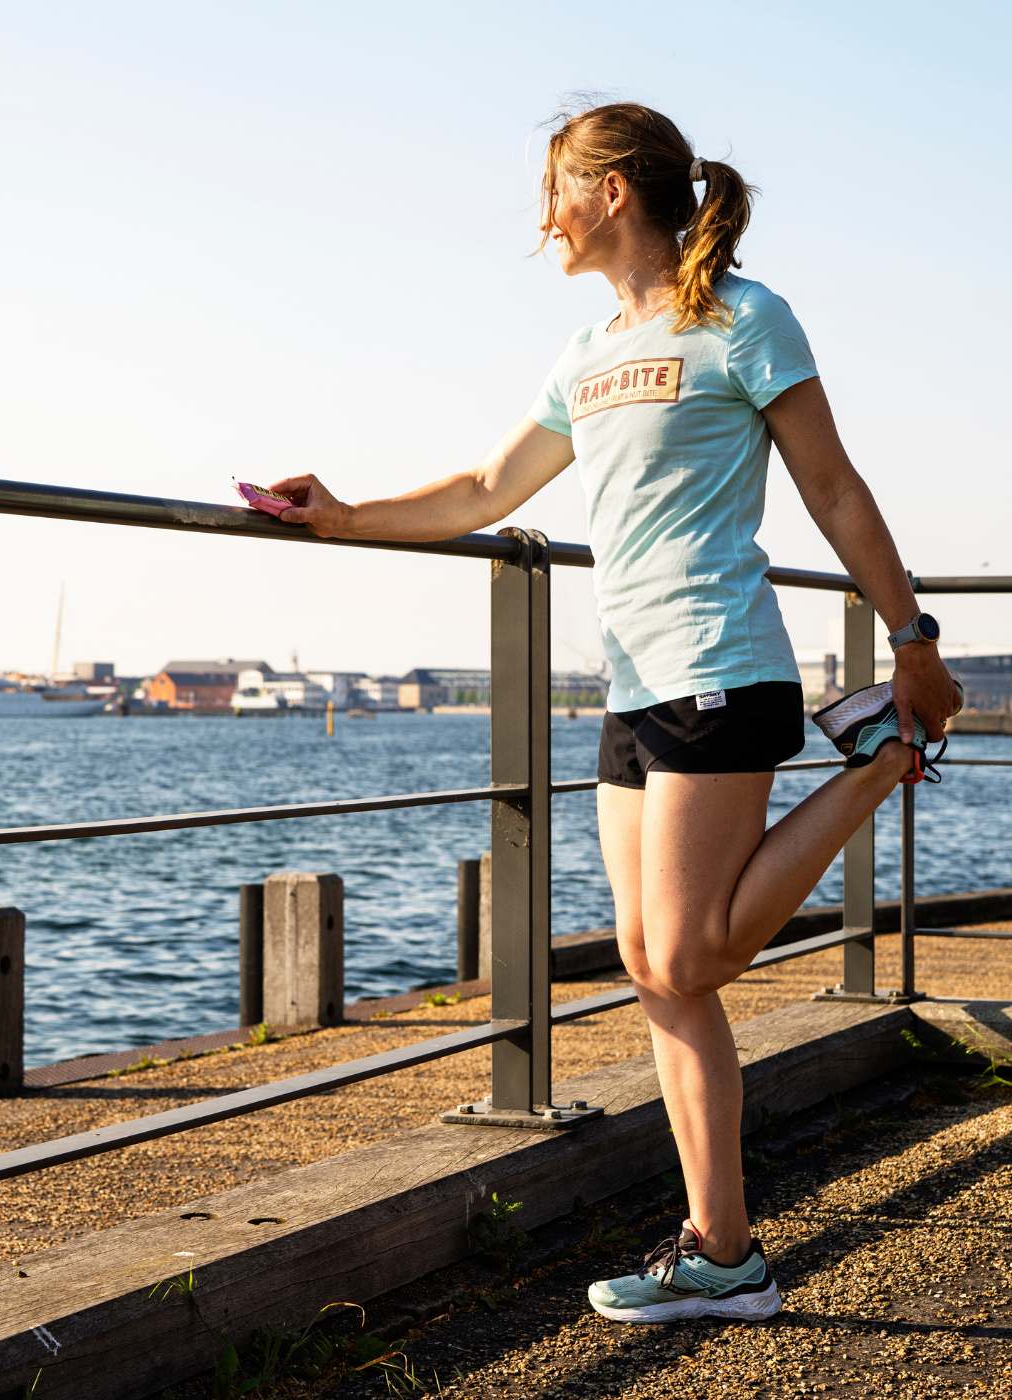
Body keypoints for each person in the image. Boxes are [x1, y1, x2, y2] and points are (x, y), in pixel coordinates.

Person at [265, 100, 963, 1323]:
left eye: (553, 191)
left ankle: (876, 760)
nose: (541, 218)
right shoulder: (582, 352)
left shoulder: (746, 320)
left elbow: (835, 489)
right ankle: (723, 1252)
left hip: (720, 665)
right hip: (632, 686)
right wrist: (341, 512)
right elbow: (486, 488)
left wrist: (910, 642)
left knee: (691, 950)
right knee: (656, 972)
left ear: (608, 193)